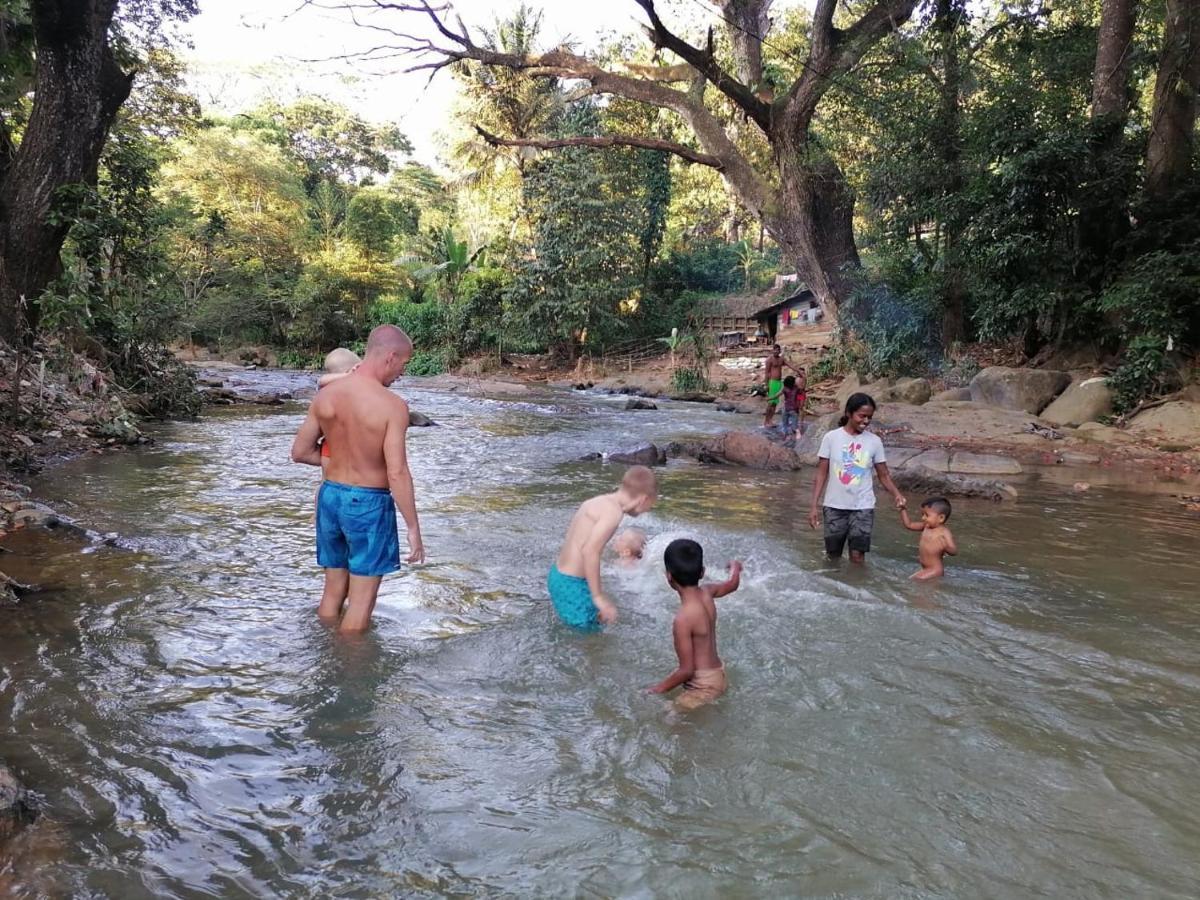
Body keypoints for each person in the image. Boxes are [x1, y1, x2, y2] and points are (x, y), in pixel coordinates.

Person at [290, 325, 424, 633]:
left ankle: (325, 653)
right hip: (368, 505)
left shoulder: (327, 396)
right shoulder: (392, 406)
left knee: (332, 593)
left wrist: (336, 461)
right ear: (390, 357)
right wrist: (413, 527)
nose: (403, 372)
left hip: (329, 498)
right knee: (361, 604)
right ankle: (350, 671)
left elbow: (299, 452)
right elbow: (397, 472)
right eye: (404, 364)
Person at [548, 466, 657, 631]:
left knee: (588, 625)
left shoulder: (596, 502)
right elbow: (590, 551)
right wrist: (598, 597)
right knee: (589, 639)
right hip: (572, 584)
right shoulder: (613, 513)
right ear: (643, 499)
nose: (646, 511)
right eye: (650, 505)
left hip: (557, 575)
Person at [807, 392, 907, 563]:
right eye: (862, 416)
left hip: (863, 506)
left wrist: (897, 494)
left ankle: (858, 587)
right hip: (834, 506)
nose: (866, 421)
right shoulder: (831, 438)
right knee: (833, 555)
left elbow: (883, 474)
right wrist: (814, 506)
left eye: (869, 417)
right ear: (848, 413)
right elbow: (821, 473)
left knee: (858, 555)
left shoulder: (874, 441)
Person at [648, 539, 742, 710]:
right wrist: (735, 568)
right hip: (718, 673)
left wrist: (656, 689)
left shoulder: (683, 619)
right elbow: (732, 585)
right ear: (702, 572)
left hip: (703, 686)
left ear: (669, 576)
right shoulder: (708, 591)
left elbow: (686, 671)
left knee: (668, 718)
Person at [316, 348, 361, 477]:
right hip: (335, 444)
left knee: (328, 481)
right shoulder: (329, 387)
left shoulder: (332, 389)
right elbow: (320, 381)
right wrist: (349, 375)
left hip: (334, 444)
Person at [900, 497, 958, 580]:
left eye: (926, 515)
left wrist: (945, 546)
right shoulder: (925, 526)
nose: (923, 518)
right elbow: (909, 525)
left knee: (913, 580)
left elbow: (954, 551)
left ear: (941, 518)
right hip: (926, 569)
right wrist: (903, 510)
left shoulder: (944, 532)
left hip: (935, 570)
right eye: (922, 515)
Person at [762, 343, 800, 429]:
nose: (776, 351)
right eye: (775, 350)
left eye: (778, 350)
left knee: (775, 403)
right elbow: (767, 373)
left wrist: (798, 371)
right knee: (770, 403)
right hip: (772, 382)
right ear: (773, 350)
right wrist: (766, 384)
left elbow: (790, 365)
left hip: (779, 382)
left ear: (779, 351)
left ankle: (770, 420)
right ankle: (766, 421)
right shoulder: (769, 360)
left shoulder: (781, 359)